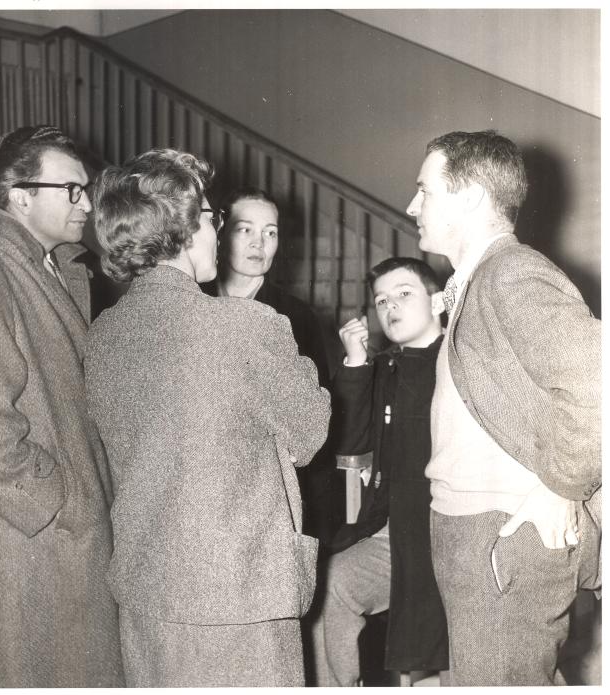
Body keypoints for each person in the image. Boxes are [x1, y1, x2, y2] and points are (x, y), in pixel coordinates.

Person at [84, 149, 331, 687]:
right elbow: (311, 432)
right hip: (238, 594)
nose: (218, 232)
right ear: (186, 229)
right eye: (212, 218)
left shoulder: (102, 335)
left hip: (146, 589)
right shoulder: (246, 325)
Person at [0, 125, 124, 687]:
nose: (86, 202)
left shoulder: (54, 272)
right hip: (20, 557)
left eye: (86, 188)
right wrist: (64, 501)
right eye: (72, 189)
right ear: (21, 195)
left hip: (52, 553)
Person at [406, 129, 601, 686]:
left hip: (500, 531)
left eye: (426, 190)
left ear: (468, 197)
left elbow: (598, 378)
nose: (412, 205)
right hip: (475, 530)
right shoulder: (475, 282)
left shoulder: (509, 273)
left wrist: (561, 486)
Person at [312, 257, 449, 686]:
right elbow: (350, 445)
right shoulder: (385, 367)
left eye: (404, 294)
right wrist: (355, 364)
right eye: (382, 300)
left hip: (450, 532)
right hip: (392, 536)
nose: (391, 306)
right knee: (330, 584)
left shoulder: (460, 360)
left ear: (438, 300)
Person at [201, 187, 337, 543]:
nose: (259, 243)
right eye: (245, 229)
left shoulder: (296, 317)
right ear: (219, 231)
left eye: (271, 232)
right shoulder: (192, 305)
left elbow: (313, 422)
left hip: (272, 494)